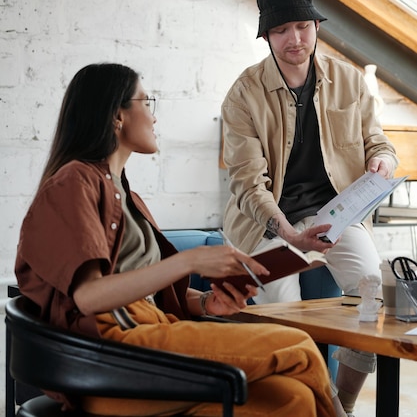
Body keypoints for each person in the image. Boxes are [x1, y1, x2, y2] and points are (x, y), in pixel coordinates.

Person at [15, 62, 341, 417]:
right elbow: (90, 296)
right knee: (298, 345)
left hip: (151, 334)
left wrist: (204, 304)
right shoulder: (74, 182)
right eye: (146, 101)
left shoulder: (126, 196)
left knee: (291, 398)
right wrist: (189, 261)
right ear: (117, 116)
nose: (154, 118)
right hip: (113, 359)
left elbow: (144, 289)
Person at [221, 0, 398, 417]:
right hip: (268, 223)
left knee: (374, 301)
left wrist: (383, 160)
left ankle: (342, 405)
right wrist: (288, 234)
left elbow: (377, 140)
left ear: (317, 27)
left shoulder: (350, 80)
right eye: (280, 30)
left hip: (335, 213)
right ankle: (327, 411)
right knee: (282, 313)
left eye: (302, 25)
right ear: (266, 36)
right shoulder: (242, 95)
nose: (294, 39)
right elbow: (246, 184)